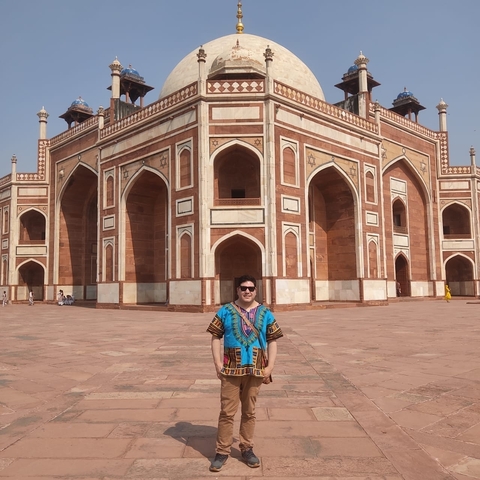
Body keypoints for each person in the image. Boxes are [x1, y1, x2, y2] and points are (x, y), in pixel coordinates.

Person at [206, 274, 283, 472]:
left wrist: (270, 367)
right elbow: (215, 337)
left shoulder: (265, 312)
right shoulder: (225, 310)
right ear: (237, 290)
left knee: (249, 412)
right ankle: (222, 451)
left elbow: (273, 340)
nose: (247, 291)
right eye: (243, 288)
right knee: (227, 412)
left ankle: (247, 448)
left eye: (250, 288)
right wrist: (217, 364)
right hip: (231, 369)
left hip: (256, 370)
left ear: (256, 290)